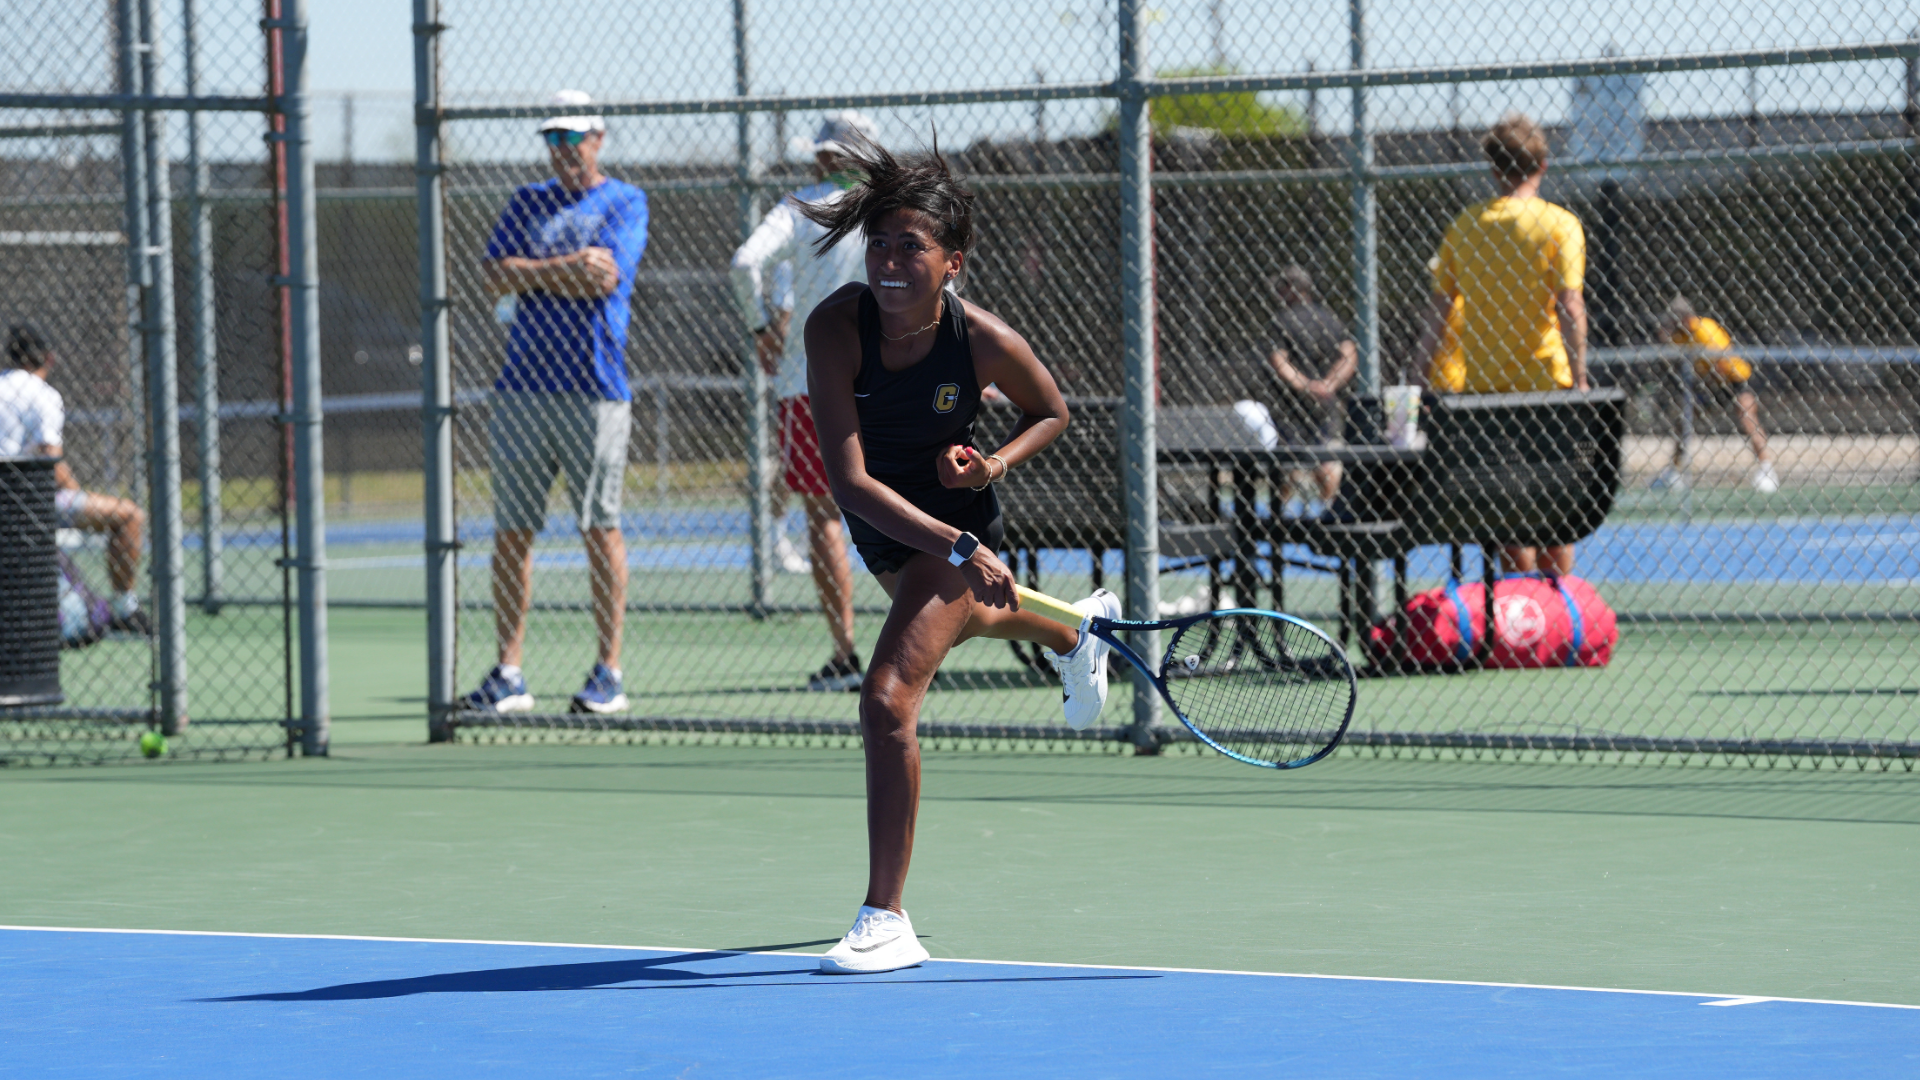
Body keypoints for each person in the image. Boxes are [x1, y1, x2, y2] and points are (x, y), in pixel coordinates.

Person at [799, 136, 1118, 975]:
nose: (892, 261)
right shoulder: (836, 327)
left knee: (886, 699)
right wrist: (958, 548)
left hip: (952, 515)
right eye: (880, 243)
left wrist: (991, 466)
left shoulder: (980, 339)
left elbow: (1050, 409)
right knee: (961, 615)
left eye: (913, 246)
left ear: (953, 263)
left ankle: (886, 918)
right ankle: (1075, 631)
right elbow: (850, 480)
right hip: (894, 523)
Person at [461, 90, 648, 716]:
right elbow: (493, 273)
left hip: (595, 390)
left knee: (600, 528)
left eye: (574, 140)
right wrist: (564, 265)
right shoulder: (526, 201)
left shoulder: (625, 201)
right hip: (521, 390)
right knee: (511, 532)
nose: (564, 151)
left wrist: (533, 270)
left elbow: (607, 276)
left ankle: (609, 672)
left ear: (598, 139)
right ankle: (509, 675)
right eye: (554, 141)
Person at [731, 112, 877, 691]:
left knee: (824, 520)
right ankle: (922, 643)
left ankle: (845, 656)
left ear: (821, 157)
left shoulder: (797, 210)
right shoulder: (895, 211)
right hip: (890, 387)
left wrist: (760, 328)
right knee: (919, 516)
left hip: (811, 388)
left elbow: (745, 263)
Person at [1414, 112, 1588, 576]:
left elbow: (1438, 315)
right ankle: (1555, 615)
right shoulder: (1560, 224)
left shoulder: (1465, 227)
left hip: (1484, 395)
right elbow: (1571, 307)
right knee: (1556, 512)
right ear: (1543, 165)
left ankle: (1519, 621)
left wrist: (1415, 379)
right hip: (1546, 386)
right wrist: (1580, 379)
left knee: (1508, 514)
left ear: (1493, 169)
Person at [0, 325, 149, 634]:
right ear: (50, 359)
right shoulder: (44, 395)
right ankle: (124, 609)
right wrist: (76, 493)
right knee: (129, 516)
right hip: (31, 499)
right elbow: (49, 460)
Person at [1650, 295, 1776, 494]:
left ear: (1685, 318)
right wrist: (1664, 332)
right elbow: (1664, 343)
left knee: (1747, 418)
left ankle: (1767, 470)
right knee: (1684, 421)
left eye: (1674, 320)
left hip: (1733, 380)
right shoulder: (1680, 335)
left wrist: (1706, 388)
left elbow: (1722, 366)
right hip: (1708, 383)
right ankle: (1673, 472)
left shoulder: (1705, 330)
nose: (1671, 324)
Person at [1262, 265, 1357, 504]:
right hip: (1324, 403)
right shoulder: (1328, 318)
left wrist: (1306, 385)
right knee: (1327, 462)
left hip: (1290, 405)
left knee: (1287, 467)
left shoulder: (1282, 320)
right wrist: (1328, 385)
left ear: (1292, 290)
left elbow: (1278, 360)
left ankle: (1279, 523)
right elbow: (1349, 353)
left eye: (1282, 289)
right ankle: (1331, 514)